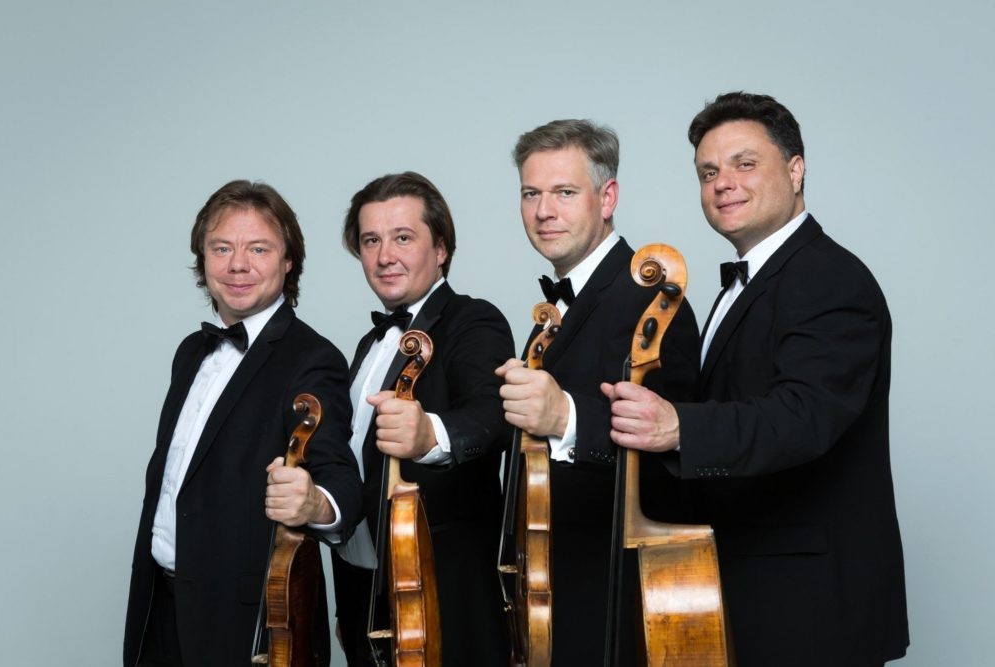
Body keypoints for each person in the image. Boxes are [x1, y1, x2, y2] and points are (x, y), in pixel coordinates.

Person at [602, 92, 909, 666]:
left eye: (745, 164)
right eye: (708, 173)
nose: (723, 184)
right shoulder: (742, 286)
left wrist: (679, 427)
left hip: (808, 605)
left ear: (796, 170)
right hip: (750, 583)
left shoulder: (829, 277)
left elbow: (804, 416)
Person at [123, 180, 362, 667]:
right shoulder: (191, 352)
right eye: (222, 248)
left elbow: (342, 480)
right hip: (159, 606)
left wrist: (315, 502)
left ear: (288, 261)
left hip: (243, 621)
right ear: (203, 259)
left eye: (258, 249)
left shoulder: (312, 358)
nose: (237, 265)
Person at [496, 120, 700, 665]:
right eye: (531, 194)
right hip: (547, 588)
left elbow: (676, 457)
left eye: (564, 192)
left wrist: (564, 417)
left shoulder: (652, 302)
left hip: (609, 598)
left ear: (607, 198)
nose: (544, 211)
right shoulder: (553, 310)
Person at [332, 171, 513, 666]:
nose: (384, 256)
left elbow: (493, 416)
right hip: (364, 589)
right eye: (371, 240)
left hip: (444, 589)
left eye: (403, 238)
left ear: (441, 249)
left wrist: (429, 432)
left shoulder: (473, 320)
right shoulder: (368, 346)